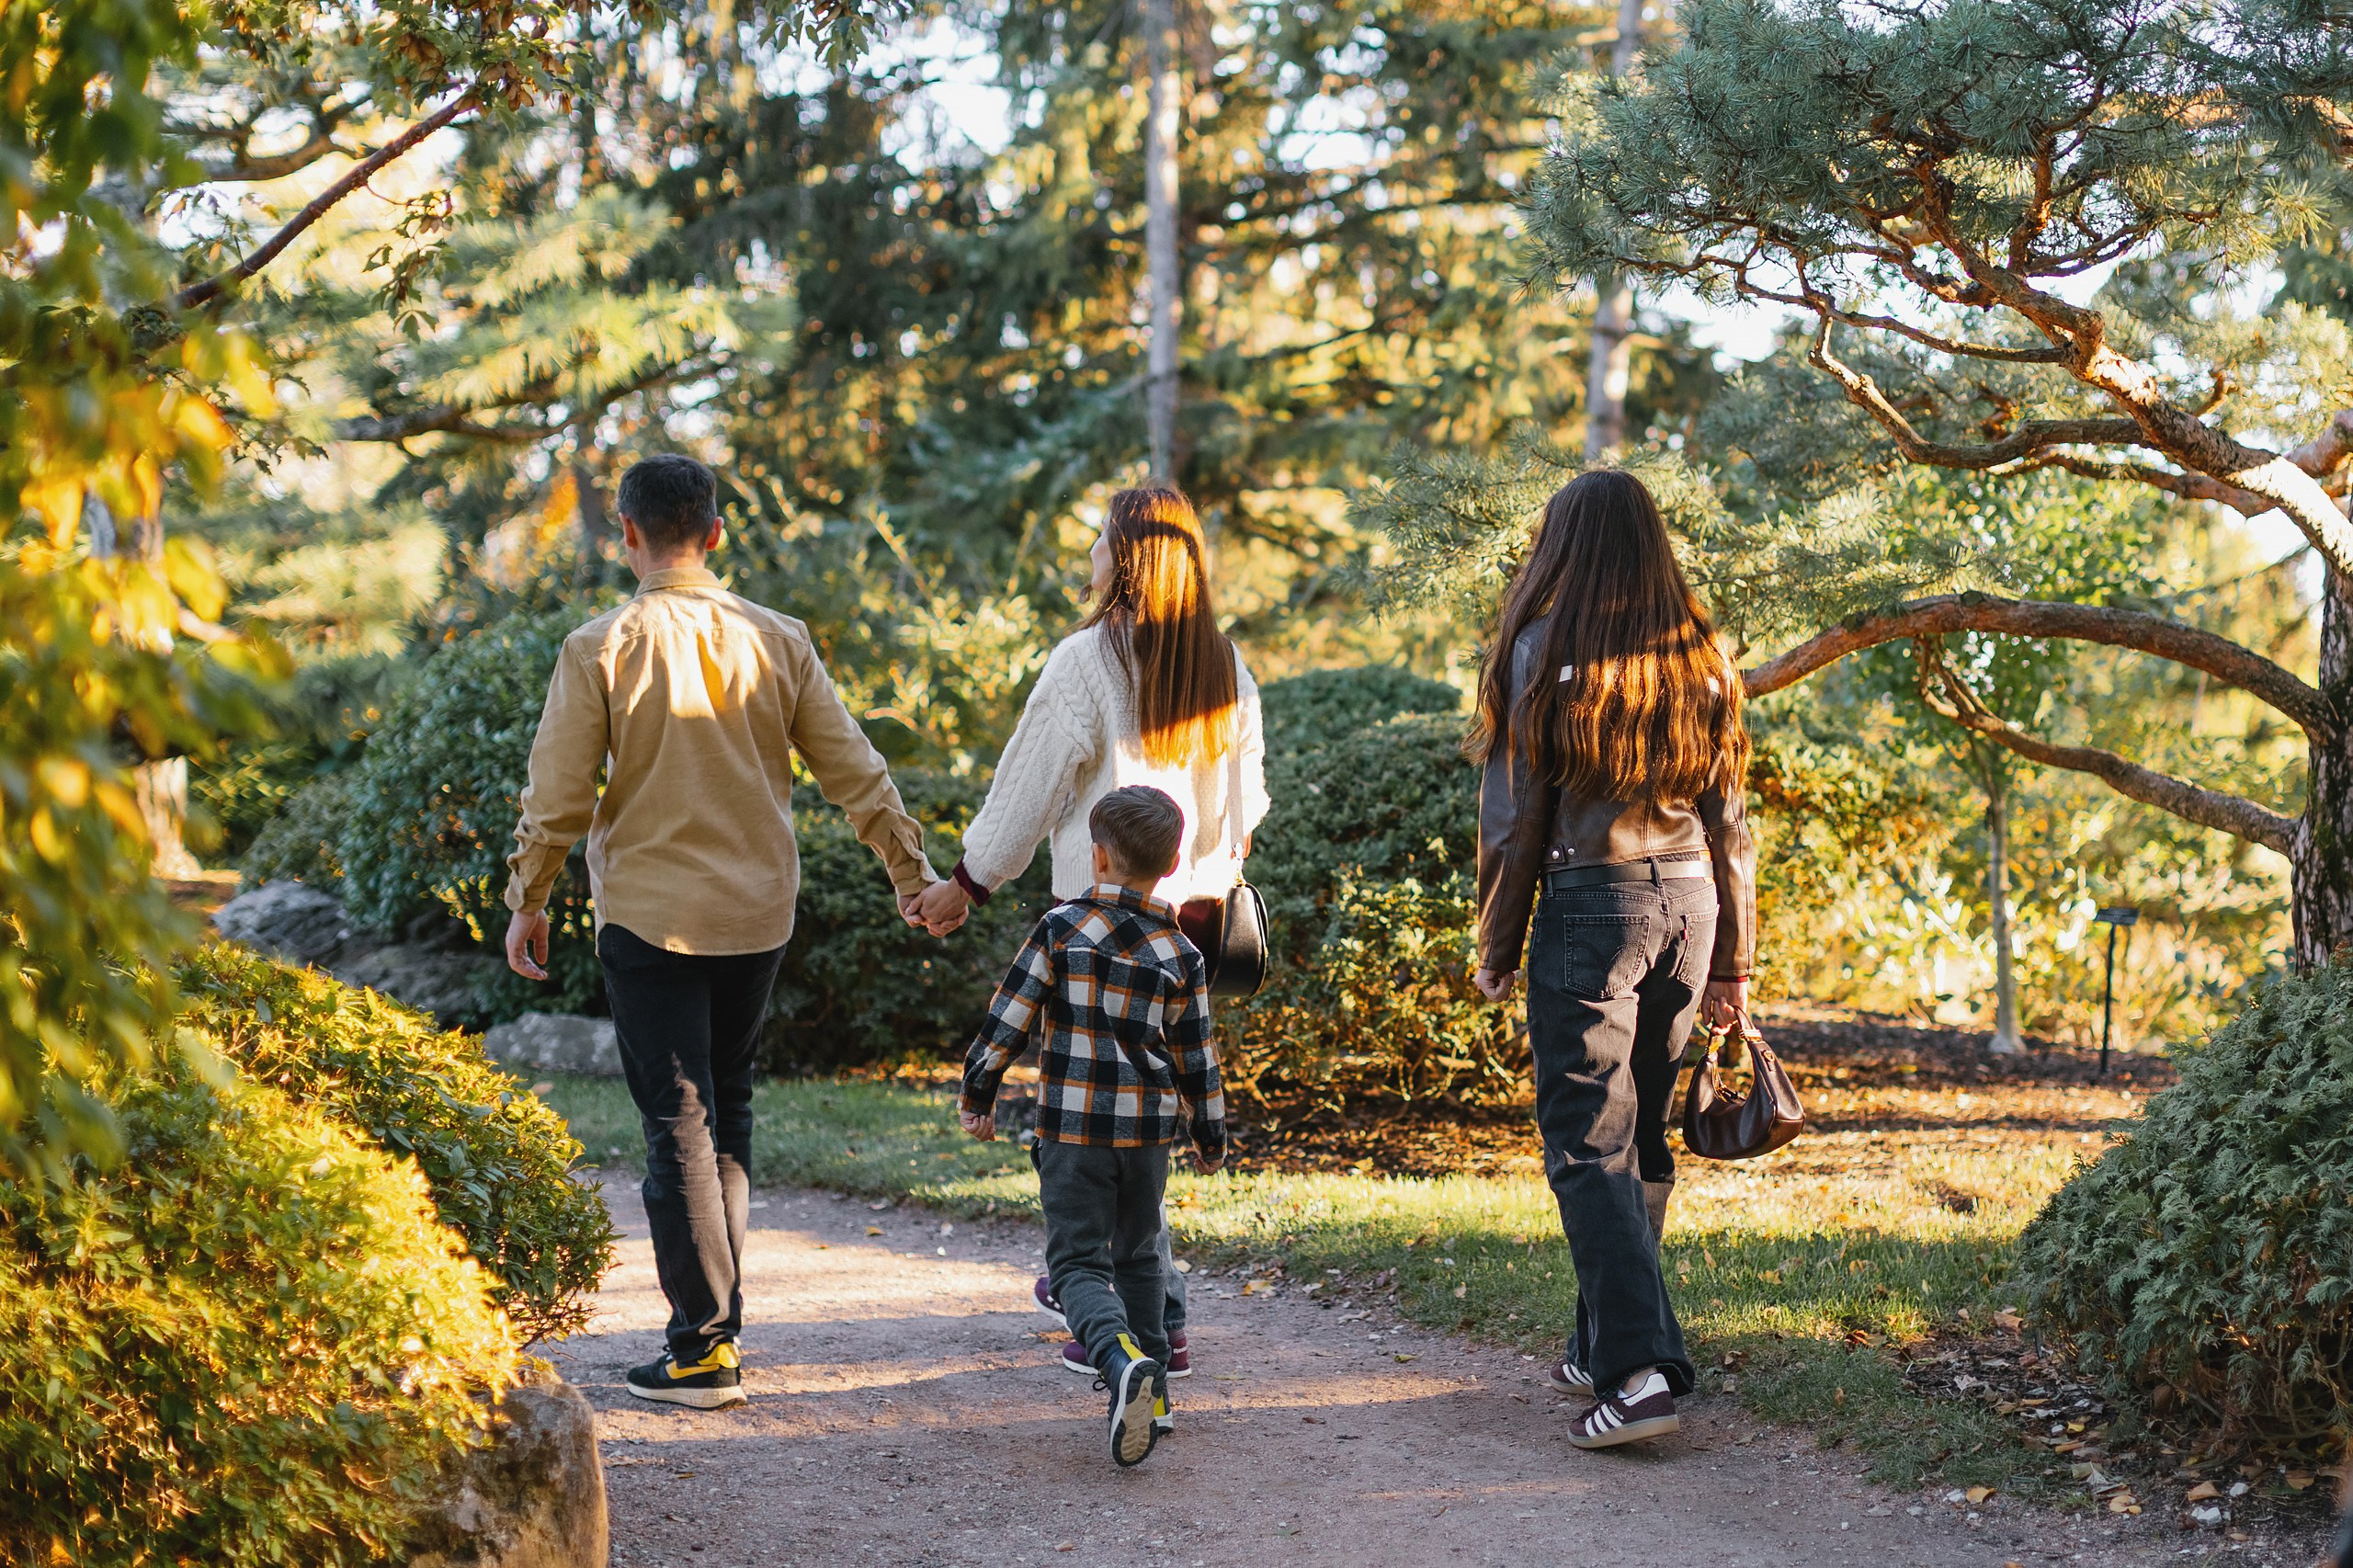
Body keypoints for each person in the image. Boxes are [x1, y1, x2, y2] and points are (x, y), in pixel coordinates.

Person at [502, 452, 941, 1410]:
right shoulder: (777, 638)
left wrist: (527, 896)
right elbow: (856, 770)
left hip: (651, 916)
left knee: (678, 1123)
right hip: (757, 914)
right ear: (716, 531)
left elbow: (559, 794)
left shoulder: (600, 644)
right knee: (723, 1111)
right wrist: (912, 873)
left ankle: (702, 1347)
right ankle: (714, 1331)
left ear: (625, 535)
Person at [910, 484, 1267, 1379]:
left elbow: (1026, 789)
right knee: (1148, 1110)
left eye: (1100, 542)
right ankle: (1156, 1310)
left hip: (1095, 922)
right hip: (1189, 922)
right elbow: (1248, 808)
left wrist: (966, 882)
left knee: (1089, 1110)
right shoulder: (1226, 664)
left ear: (1126, 558)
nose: (1092, 557)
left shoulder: (1088, 660)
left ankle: (1107, 1298)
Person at [1470, 468, 1756, 1450]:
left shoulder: (1543, 648)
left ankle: (1638, 1373)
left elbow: (1516, 821)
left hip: (1590, 903)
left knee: (1587, 1141)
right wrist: (1735, 962)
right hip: (1691, 908)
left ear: (1564, 548)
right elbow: (1732, 821)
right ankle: (1600, 1346)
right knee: (1632, 1132)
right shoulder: (1703, 651)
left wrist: (1496, 944)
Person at [958, 784, 1228, 1468]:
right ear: (1170, 866)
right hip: (1147, 1139)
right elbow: (1198, 1058)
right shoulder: (1181, 954)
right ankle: (1155, 1394)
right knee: (1140, 1258)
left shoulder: (1061, 928)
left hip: (1074, 1134)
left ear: (1098, 857)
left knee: (1077, 1262)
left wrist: (979, 1091)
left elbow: (1009, 1019)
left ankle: (1116, 1359)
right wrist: (1211, 1136)